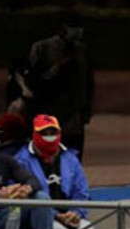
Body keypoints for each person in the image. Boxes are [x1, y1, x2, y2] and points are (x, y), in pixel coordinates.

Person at [15, 114, 118, 229]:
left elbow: (81, 191)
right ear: (34, 134)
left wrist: (76, 212)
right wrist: (56, 215)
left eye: (53, 132)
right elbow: (24, 197)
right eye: (44, 132)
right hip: (41, 219)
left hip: (70, 215)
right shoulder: (21, 160)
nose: (49, 136)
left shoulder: (70, 158)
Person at [27, 20, 95, 158]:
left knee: (74, 152)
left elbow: (88, 81)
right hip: (50, 110)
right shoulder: (43, 47)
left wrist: (86, 108)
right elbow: (34, 80)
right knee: (50, 151)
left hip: (75, 111)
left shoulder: (81, 50)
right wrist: (57, 69)